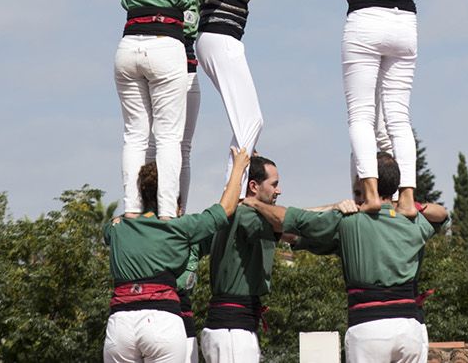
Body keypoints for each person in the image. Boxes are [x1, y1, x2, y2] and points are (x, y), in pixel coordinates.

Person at [263, 0, 439, 210]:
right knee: (398, 117)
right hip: (405, 21)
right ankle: (407, 198)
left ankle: (370, 195)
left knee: (360, 116)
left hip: (366, 19)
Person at [109, 0, 257, 218]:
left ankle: (133, 209)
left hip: (128, 44)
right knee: (169, 139)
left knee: (135, 136)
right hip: (166, 45)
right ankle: (167, 212)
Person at [244, 152, 448, 363]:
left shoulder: (348, 221)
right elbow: (442, 215)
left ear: (368, 182)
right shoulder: (413, 222)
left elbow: (286, 220)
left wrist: (254, 204)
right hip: (410, 329)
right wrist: (411, 207)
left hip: (369, 328)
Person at [191, 0, 309, 185]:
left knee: (245, 121)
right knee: (251, 120)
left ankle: (237, 187)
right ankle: (237, 193)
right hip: (221, 35)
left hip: (215, 36)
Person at [104, 149, 252, 363]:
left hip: (120, 323)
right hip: (161, 320)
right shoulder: (179, 228)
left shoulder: (117, 227)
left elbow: (109, 230)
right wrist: (239, 168)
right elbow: (226, 208)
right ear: (171, 195)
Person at [197, 154, 285, 363]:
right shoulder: (245, 214)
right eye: (274, 184)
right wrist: (334, 209)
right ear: (253, 186)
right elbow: (288, 222)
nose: (278, 190)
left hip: (231, 329)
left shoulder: (238, 214)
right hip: (232, 332)